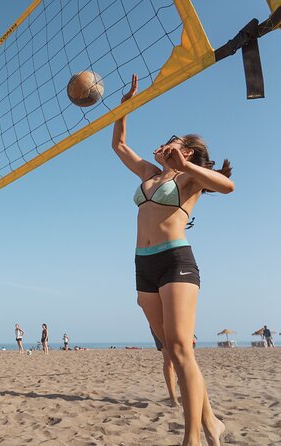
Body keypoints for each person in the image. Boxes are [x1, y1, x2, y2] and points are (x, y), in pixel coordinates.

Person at [113, 74, 232, 446]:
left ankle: (191, 438)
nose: (165, 143)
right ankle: (212, 421)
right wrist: (126, 105)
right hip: (142, 263)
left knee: (182, 349)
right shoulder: (150, 174)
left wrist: (185, 165)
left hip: (175, 260)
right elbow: (119, 145)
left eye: (174, 142)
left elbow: (227, 186)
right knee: (175, 352)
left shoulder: (191, 179)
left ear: (190, 153)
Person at [151, 326, 180, 407]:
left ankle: (182, 383)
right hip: (160, 322)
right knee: (169, 360)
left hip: (178, 320)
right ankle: (173, 398)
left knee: (183, 357)